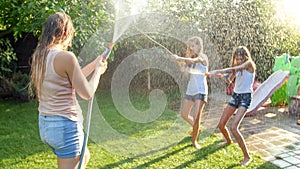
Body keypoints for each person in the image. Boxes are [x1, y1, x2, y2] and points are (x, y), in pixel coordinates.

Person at [29, 12, 108, 169]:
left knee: (84, 154)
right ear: (65, 32)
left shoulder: (39, 56)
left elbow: (72, 78)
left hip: (46, 125)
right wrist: (98, 72)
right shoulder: (66, 57)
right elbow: (87, 93)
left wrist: (95, 64)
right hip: (64, 127)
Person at [208, 46, 256, 166]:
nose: (239, 61)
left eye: (241, 58)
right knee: (221, 125)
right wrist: (224, 78)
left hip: (245, 98)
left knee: (234, 127)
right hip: (235, 96)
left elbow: (235, 68)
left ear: (246, 57)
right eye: (237, 59)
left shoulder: (249, 64)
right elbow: (230, 80)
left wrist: (218, 71)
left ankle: (247, 157)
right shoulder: (237, 69)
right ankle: (228, 141)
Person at [172, 36, 208, 149]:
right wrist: (181, 64)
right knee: (184, 114)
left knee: (196, 116)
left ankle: (195, 141)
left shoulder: (203, 57)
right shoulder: (189, 60)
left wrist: (179, 58)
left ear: (199, 46)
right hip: (191, 89)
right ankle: (197, 128)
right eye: (190, 46)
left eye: (193, 46)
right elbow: (185, 72)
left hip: (200, 90)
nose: (191, 48)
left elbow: (194, 60)